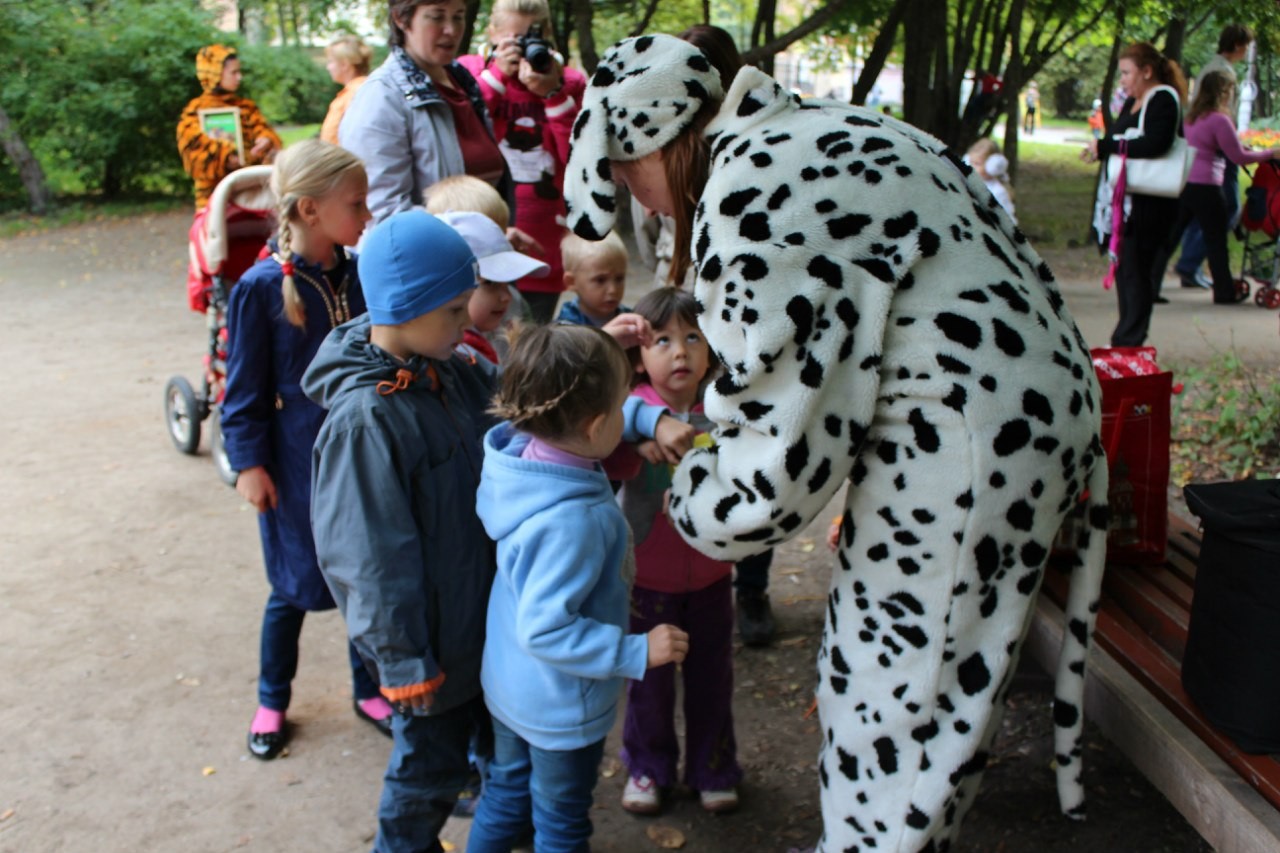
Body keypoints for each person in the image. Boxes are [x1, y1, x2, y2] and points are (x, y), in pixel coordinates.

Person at [565, 35, 1109, 852]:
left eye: (623, 169)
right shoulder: (811, 128)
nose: (633, 196)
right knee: (913, 686)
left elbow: (777, 466)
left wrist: (690, 493)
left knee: (897, 701)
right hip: (1013, 414)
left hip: (973, 439)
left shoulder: (752, 190)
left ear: (662, 138)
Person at [304, 210, 498, 853]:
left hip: (478, 628)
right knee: (426, 780)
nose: (467, 319)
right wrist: (402, 658)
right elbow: (366, 556)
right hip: (433, 650)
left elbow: (524, 403)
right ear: (406, 307)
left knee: (487, 758)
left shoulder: (448, 369)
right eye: (452, 309)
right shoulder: (366, 421)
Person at [467, 322, 689, 852]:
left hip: (508, 685)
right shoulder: (577, 522)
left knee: (505, 793)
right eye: (620, 407)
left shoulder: (521, 459)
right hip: (558, 705)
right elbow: (546, 629)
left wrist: (647, 419)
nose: (625, 414)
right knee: (561, 823)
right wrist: (634, 650)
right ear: (594, 427)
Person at [219, 139, 387, 759]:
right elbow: (243, 391)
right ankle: (272, 699)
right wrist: (250, 464)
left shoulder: (360, 272)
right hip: (294, 463)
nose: (367, 214)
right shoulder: (262, 287)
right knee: (292, 585)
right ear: (311, 210)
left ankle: (368, 688)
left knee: (364, 576)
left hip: (360, 456)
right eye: (357, 203)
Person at [615, 288, 743, 815]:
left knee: (713, 678)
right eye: (662, 340)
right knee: (650, 684)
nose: (680, 352)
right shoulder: (632, 406)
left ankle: (713, 767)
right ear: (640, 355)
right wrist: (639, 440)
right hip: (648, 579)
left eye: (693, 337)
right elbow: (604, 418)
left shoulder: (726, 407)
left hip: (713, 576)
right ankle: (648, 768)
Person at [458, 0, 587, 324]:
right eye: (516, 38)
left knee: (530, 352)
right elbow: (462, 136)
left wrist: (554, 94)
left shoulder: (568, 81)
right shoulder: (470, 73)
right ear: (493, 34)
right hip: (481, 246)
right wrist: (496, 78)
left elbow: (578, 159)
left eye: (536, 34)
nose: (528, 46)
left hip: (541, 248)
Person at [339, 0, 511, 227]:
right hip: (431, 257)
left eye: (458, 16)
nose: (451, 29)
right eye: (437, 17)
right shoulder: (382, 97)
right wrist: (474, 233)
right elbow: (383, 215)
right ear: (401, 19)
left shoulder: (463, 83)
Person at [1085, 42, 1188, 346]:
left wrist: (1107, 147)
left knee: (1136, 270)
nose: (1123, 81)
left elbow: (1156, 144)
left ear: (1147, 71)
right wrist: (1101, 150)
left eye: (1127, 73)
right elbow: (1124, 143)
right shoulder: (1136, 101)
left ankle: (1128, 339)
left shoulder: (1163, 99)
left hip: (1149, 204)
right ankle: (1127, 338)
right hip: (1128, 202)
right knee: (1126, 270)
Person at [1161, 71, 1279, 304]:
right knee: (1216, 240)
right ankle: (1224, 292)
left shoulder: (1191, 117)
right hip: (1207, 186)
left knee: (1170, 237)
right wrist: (1270, 154)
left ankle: (1150, 285)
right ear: (1224, 92)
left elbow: (1210, 145)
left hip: (1185, 183)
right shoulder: (1219, 119)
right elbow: (1237, 156)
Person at [1171, 24, 1255, 291]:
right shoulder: (1221, 72)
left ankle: (1190, 264)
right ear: (1239, 45)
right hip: (1215, 154)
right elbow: (1219, 116)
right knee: (1225, 210)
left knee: (1201, 214)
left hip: (1207, 152)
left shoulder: (1216, 66)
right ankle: (1192, 263)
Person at [437, 210, 550, 365]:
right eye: (490, 283)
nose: (507, 296)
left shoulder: (510, 313)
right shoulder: (452, 355)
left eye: (508, 283)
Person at [177, 44, 282, 210]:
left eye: (240, 72)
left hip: (251, 194)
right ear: (215, 73)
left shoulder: (246, 107)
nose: (239, 77)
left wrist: (265, 140)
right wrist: (224, 157)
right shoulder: (195, 111)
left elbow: (263, 130)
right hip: (211, 197)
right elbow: (193, 153)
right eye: (234, 73)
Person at [556, 231, 631, 326]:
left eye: (619, 279)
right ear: (571, 282)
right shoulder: (565, 328)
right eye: (600, 280)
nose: (613, 290)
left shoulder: (630, 318)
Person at [320, 35, 374, 145]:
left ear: (344, 64)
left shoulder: (357, 93)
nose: (328, 67)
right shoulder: (354, 91)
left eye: (330, 62)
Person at [965, 137, 1016, 220]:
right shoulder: (967, 182)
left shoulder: (998, 191)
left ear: (993, 165)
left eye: (977, 164)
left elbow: (1008, 220)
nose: (971, 167)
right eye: (971, 162)